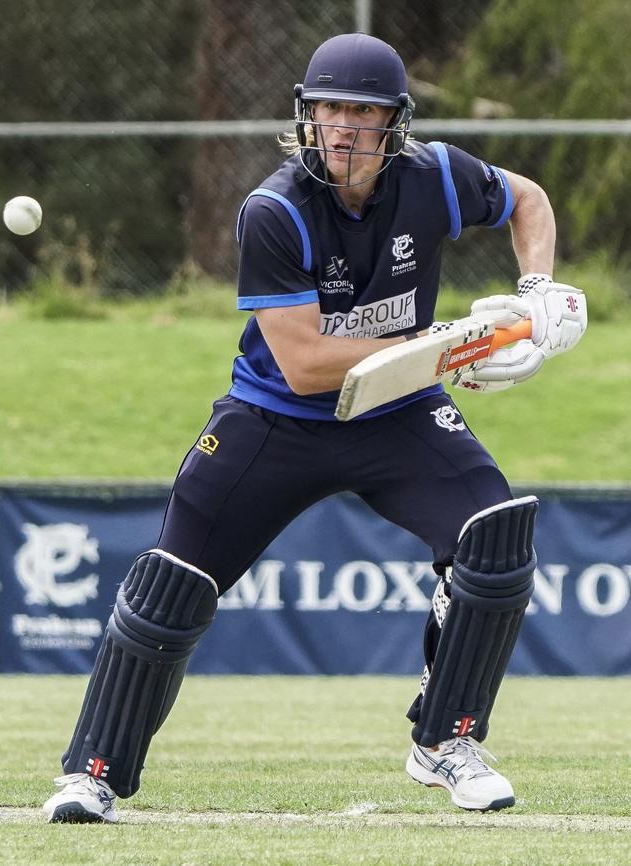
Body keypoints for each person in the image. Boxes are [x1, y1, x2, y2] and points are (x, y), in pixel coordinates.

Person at [43, 33, 587, 823]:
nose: (340, 128)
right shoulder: (274, 210)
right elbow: (304, 363)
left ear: (394, 124)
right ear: (306, 115)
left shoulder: (434, 174)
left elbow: (528, 199)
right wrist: (454, 346)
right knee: (172, 585)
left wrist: (537, 292)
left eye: (361, 112)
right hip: (277, 417)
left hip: (397, 412)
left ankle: (445, 742)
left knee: (493, 538)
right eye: (327, 109)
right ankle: (91, 773)